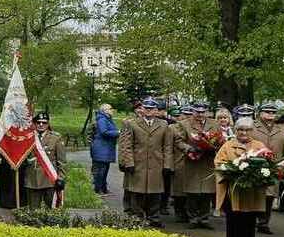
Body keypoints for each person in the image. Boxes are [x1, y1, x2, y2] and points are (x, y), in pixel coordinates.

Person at [215, 117, 271, 237]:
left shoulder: (259, 146)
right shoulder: (228, 146)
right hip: (234, 192)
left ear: (252, 131)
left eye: (247, 130)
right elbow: (218, 163)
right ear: (236, 130)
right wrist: (231, 170)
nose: (244, 133)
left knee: (250, 222)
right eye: (240, 130)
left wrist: (257, 174)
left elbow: (268, 162)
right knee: (234, 221)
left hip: (252, 193)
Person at [118, 97, 174, 226]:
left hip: (156, 164)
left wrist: (167, 164)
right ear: (142, 109)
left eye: (152, 108)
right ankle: (137, 218)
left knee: (155, 193)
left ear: (156, 110)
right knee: (137, 192)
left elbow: (167, 146)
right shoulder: (131, 124)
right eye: (146, 108)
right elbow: (126, 145)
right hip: (138, 164)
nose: (148, 111)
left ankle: (154, 218)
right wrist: (129, 163)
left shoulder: (164, 125)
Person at [172, 102, 220, 228]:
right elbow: (178, 141)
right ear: (193, 111)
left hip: (208, 161)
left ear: (207, 112)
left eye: (203, 112)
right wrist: (189, 149)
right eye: (197, 112)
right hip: (192, 160)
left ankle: (204, 219)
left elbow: (220, 139)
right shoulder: (183, 124)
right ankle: (193, 218)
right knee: (192, 191)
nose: (200, 114)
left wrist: (215, 146)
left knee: (207, 192)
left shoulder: (214, 124)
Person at [251, 101, 284, 234]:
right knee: (255, 194)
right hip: (255, 165)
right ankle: (251, 220)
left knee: (269, 195)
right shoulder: (251, 126)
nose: (270, 115)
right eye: (267, 112)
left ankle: (264, 223)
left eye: (273, 113)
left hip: (275, 166)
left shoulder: (282, 129)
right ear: (260, 113)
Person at [21, 111, 65, 208]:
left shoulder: (55, 138)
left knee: (52, 209)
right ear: (35, 123)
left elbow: (61, 161)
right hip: (32, 179)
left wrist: (61, 178)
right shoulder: (28, 137)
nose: (41, 124)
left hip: (49, 179)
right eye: (38, 122)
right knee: (33, 210)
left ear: (48, 124)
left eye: (44, 122)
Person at [89, 103, 120, 195]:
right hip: (101, 148)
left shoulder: (107, 119)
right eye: (110, 109)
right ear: (105, 110)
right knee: (100, 170)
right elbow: (104, 132)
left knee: (105, 169)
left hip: (105, 148)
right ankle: (98, 190)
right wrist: (118, 132)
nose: (112, 110)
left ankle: (103, 188)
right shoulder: (102, 119)